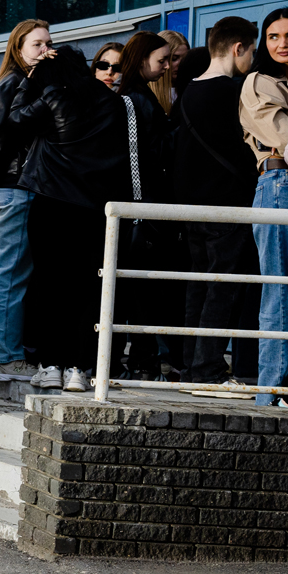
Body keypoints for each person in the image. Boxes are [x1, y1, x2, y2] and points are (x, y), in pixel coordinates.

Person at [11, 28, 128, 391]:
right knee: (87, 287)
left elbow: (14, 120)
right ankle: (80, 368)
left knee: (49, 283)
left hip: (52, 204)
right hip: (95, 208)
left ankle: (50, 365)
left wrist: (30, 81)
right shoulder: (112, 102)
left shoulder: (51, 97)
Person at [172, 17, 261, 386]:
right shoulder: (236, 91)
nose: (253, 60)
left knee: (198, 286)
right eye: (252, 51)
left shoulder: (187, 91)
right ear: (238, 48)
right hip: (228, 203)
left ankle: (192, 365)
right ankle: (208, 369)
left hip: (191, 205)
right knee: (222, 287)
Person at [241, 6, 288, 404]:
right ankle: (269, 395)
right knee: (283, 288)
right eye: (273, 36)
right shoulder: (257, 81)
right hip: (281, 181)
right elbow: (286, 138)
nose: (282, 44)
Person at [0, 20, 48, 384]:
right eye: (37, 44)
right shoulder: (16, 83)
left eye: (48, 43)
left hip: (10, 184)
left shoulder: (13, 82)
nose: (45, 49)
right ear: (18, 47)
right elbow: (1, 141)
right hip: (16, 185)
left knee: (2, 270)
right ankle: (5, 357)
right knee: (11, 272)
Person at [111, 34, 180, 381]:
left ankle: (142, 359)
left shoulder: (139, 95)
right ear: (140, 60)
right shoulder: (131, 98)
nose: (167, 67)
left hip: (142, 208)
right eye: (162, 60)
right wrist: (140, 211)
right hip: (140, 210)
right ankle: (141, 361)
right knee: (139, 291)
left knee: (141, 290)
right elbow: (136, 157)